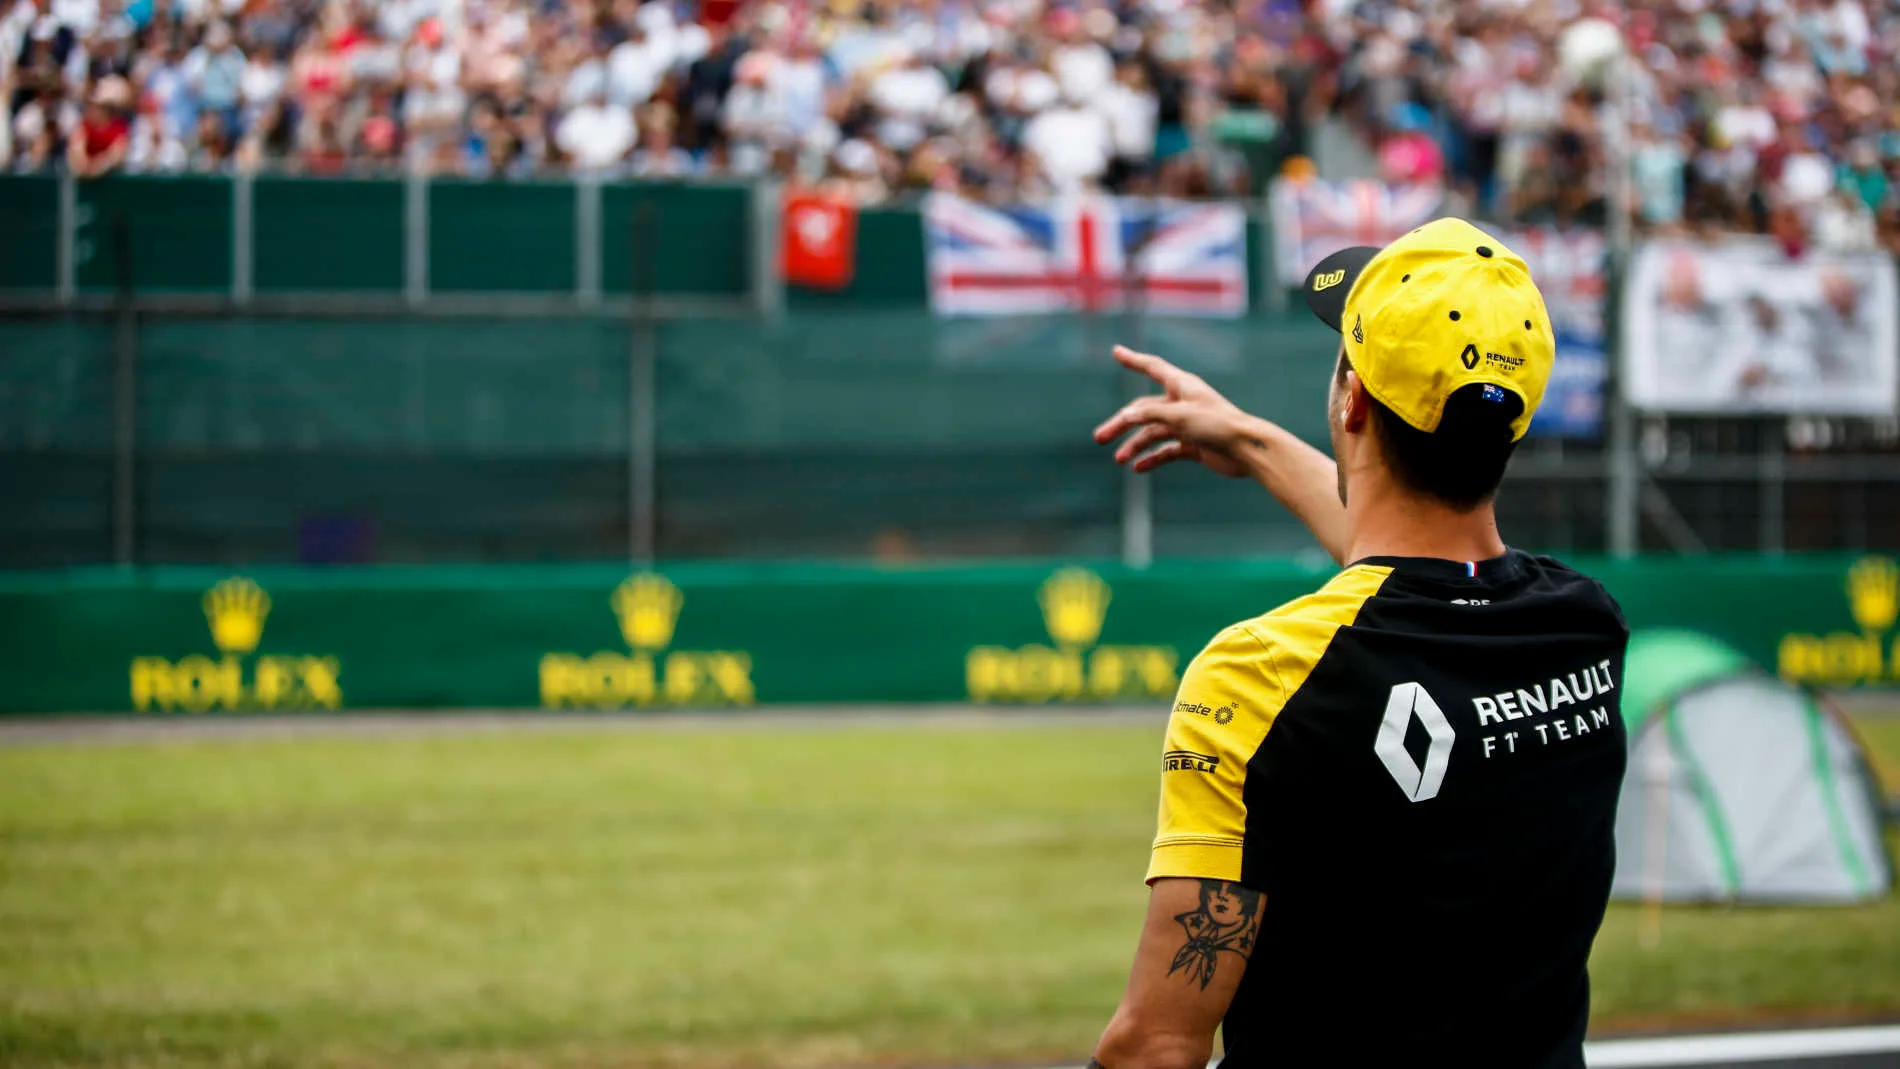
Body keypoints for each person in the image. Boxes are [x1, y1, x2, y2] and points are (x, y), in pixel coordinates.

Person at [1088, 218, 1630, 1068]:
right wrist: (1256, 441)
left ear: (1352, 400)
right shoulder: (1584, 629)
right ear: (1513, 424)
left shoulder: (1262, 674)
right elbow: (1415, 570)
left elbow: (1157, 1041)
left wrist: (1257, 440)